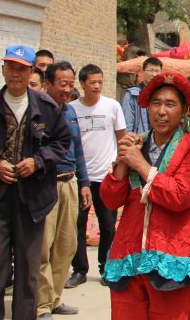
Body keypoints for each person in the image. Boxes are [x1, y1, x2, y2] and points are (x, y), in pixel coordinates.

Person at [0, 45, 71, 320]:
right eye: (11, 67)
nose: (16, 74)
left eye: (22, 69)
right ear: (3, 70)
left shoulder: (47, 108)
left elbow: (62, 142)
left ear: (31, 73)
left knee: (28, 270)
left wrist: (37, 161)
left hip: (32, 200)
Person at [101, 72, 190, 320]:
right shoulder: (135, 145)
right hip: (128, 255)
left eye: (170, 104)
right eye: (156, 103)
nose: (161, 111)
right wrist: (122, 163)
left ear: (183, 111)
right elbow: (110, 200)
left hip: (171, 257)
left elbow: (180, 196)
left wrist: (140, 165)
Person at [37, 62, 92, 319]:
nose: (68, 89)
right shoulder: (36, 112)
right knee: (42, 248)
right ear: (47, 83)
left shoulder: (70, 111)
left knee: (66, 246)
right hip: (44, 184)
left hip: (69, 182)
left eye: (71, 84)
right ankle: (42, 304)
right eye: (63, 84)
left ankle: (56, 298)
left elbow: (78, 150)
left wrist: (84, 183)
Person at [67, 64, 127, 288]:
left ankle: (107, 268)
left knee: (108, 224)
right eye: (92, 82)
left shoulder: (112, 106)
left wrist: (119, 168)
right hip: (79, 177)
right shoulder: (71, 109)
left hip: (105, 175)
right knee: (78, 224)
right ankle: (79, 269)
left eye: (100, 82)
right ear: (82, 84)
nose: (97, 86)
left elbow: (122, 138)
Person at [122, 57, 163, 135]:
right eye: (151, 70)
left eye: (157, 71)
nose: (154, 74)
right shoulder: (132, 95)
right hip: (139, 141)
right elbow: (127, 125)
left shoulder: (164, 95)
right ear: (143, 72)